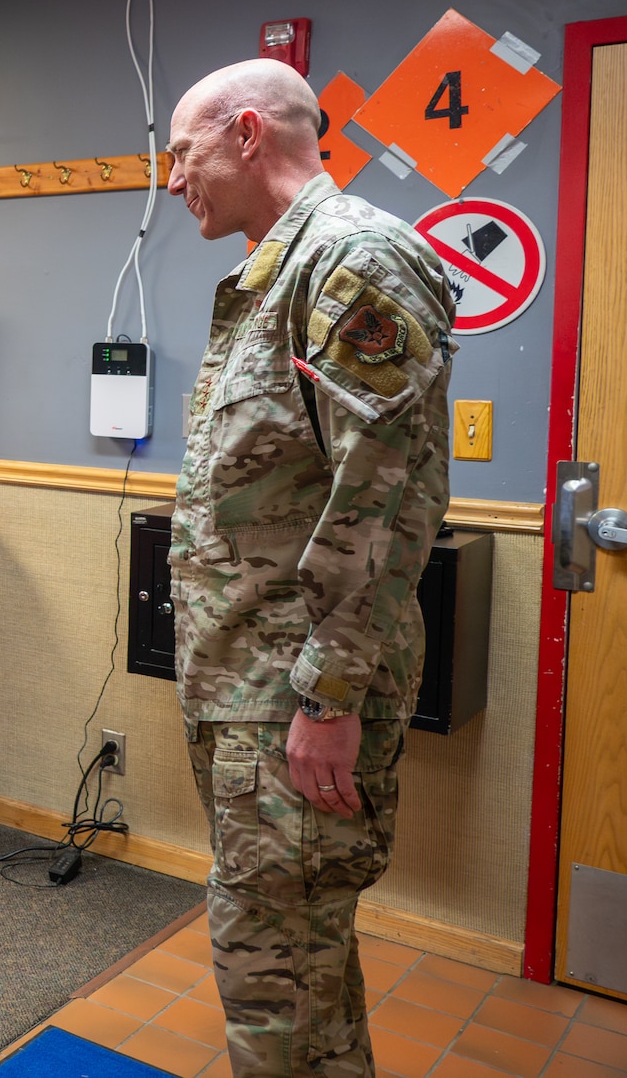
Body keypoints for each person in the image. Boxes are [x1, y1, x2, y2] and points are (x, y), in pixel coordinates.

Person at [166, 59, 453, 1077]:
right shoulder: (275, 274)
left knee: (271, 983)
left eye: (182, 150)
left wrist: (329, 692)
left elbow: (386, 489)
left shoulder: (350, 261)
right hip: (250, 690)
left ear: (247, 132)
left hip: (294, 693)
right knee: (300, 973)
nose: (170, 178)